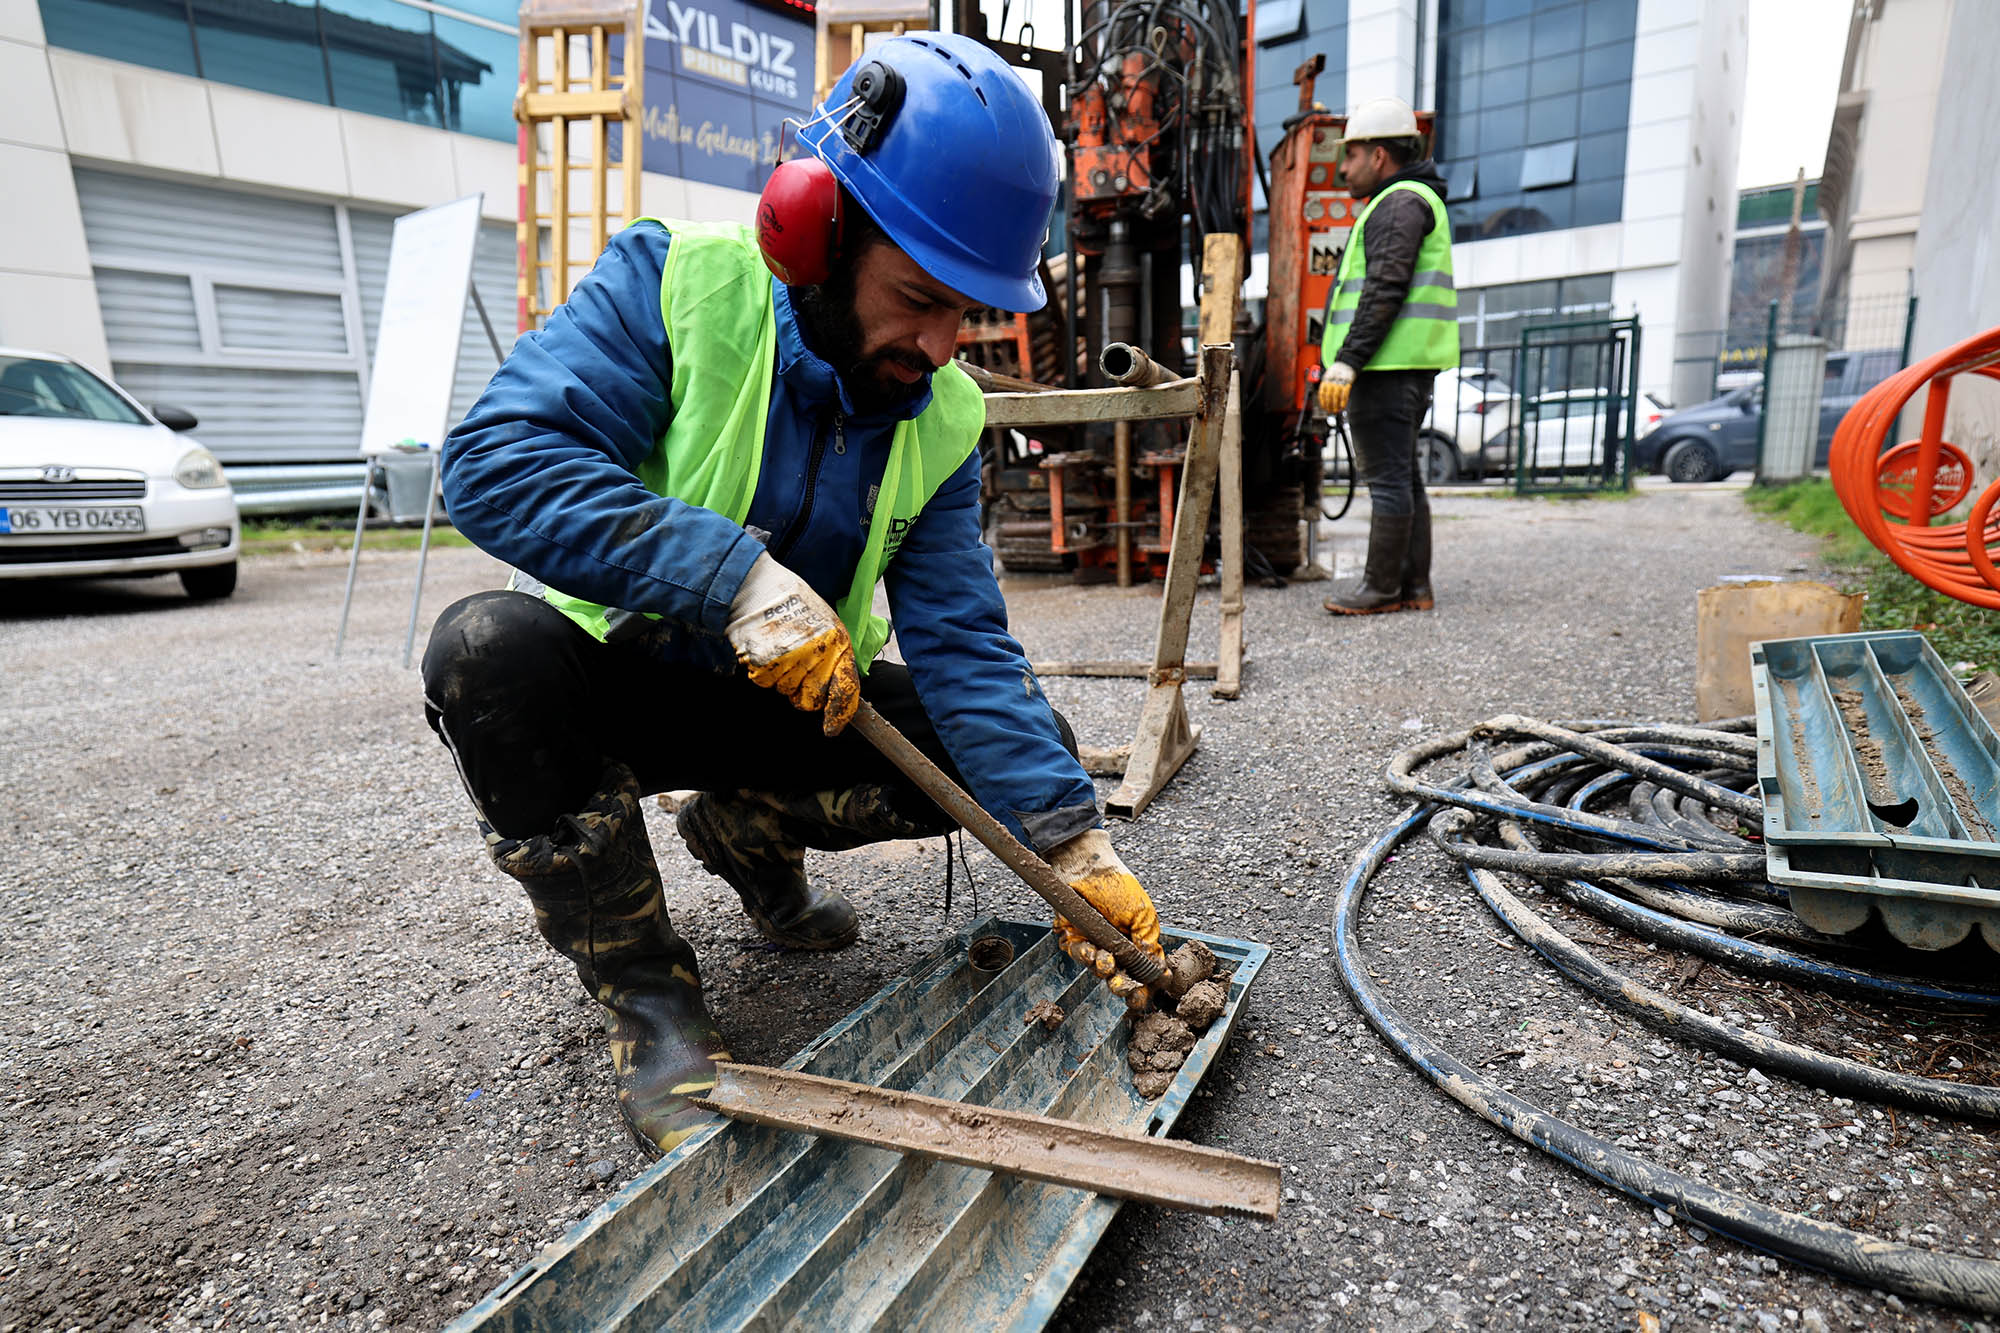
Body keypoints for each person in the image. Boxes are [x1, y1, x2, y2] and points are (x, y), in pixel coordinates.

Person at [420, 33, 1165, 1158]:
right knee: (485, 649)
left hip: (785, 699)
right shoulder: (678, 284)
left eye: (965, 312)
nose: (939, 344)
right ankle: (652, 1008)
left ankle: (747, 830)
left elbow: (962, 642)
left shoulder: (942, 414)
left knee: (1015, 745)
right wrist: (731, 576)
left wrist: (1071, 849)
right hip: (614, 685)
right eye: (918, 298)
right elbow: (494, 460)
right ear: (813, 233)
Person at [1316, 95, 1459, 615]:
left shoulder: (1399, 203)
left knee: (1389, 481)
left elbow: (1384, 290)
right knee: (1405, 477)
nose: (1343, 168)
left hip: (1386, 368)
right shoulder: (1412, 200)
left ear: (1378, 155)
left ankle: (1380, 589)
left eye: (1350, 155)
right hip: (1403, 366)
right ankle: (1414, 586)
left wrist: (1348, 359)